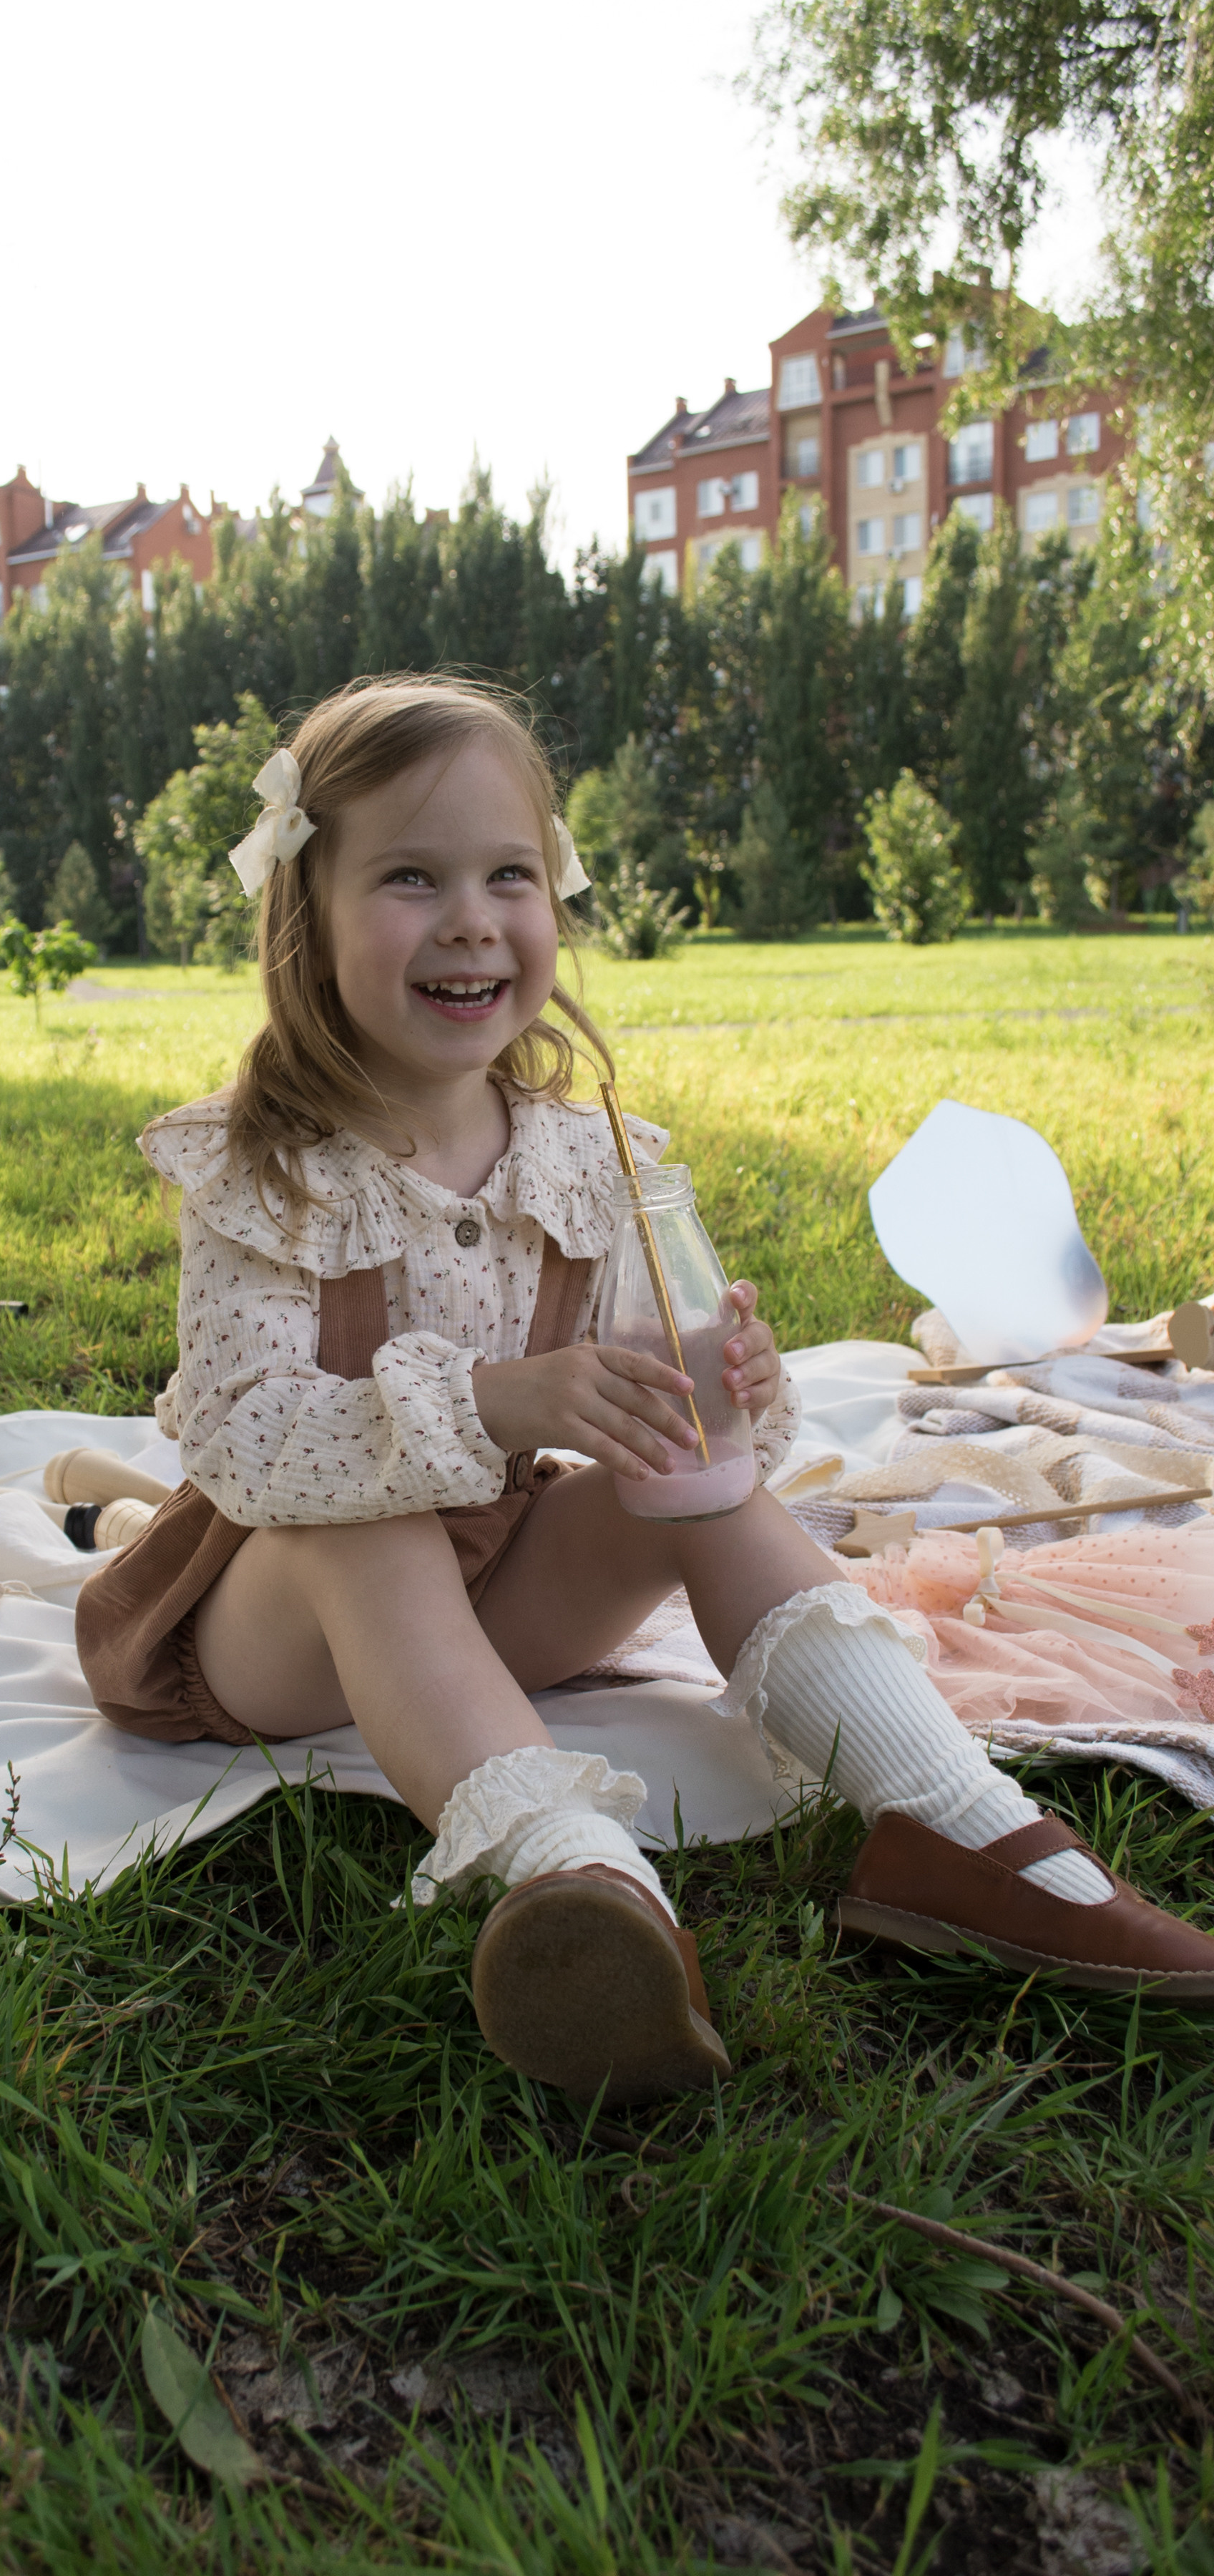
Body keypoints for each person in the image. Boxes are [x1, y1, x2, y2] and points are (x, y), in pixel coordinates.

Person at [78, 677, 1214, 2102]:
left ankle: (954, 1823)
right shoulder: (265, 1175)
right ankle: (576, 1882)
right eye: (410, 878)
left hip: (494, 1609)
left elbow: (673, 1391)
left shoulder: (588, 1158)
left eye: (511, 875)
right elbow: (245, 1450)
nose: (473, 919)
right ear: (307, 916)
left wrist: (720, 1392)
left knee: (686, 1472)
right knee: (365, 1531)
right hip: (286, 1630)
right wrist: (500, 1402)